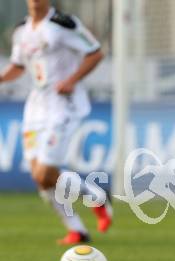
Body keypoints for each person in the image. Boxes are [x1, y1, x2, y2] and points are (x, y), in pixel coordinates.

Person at [0, 0, 112, 245]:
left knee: (45, 173)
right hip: (35, 109)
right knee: (41, 179)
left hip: (63, 106)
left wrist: (72, 80)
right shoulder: (22, 31)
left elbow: (95, 53)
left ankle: (95, 197)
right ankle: (78, 230)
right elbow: (18, 67)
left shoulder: (63, 24)